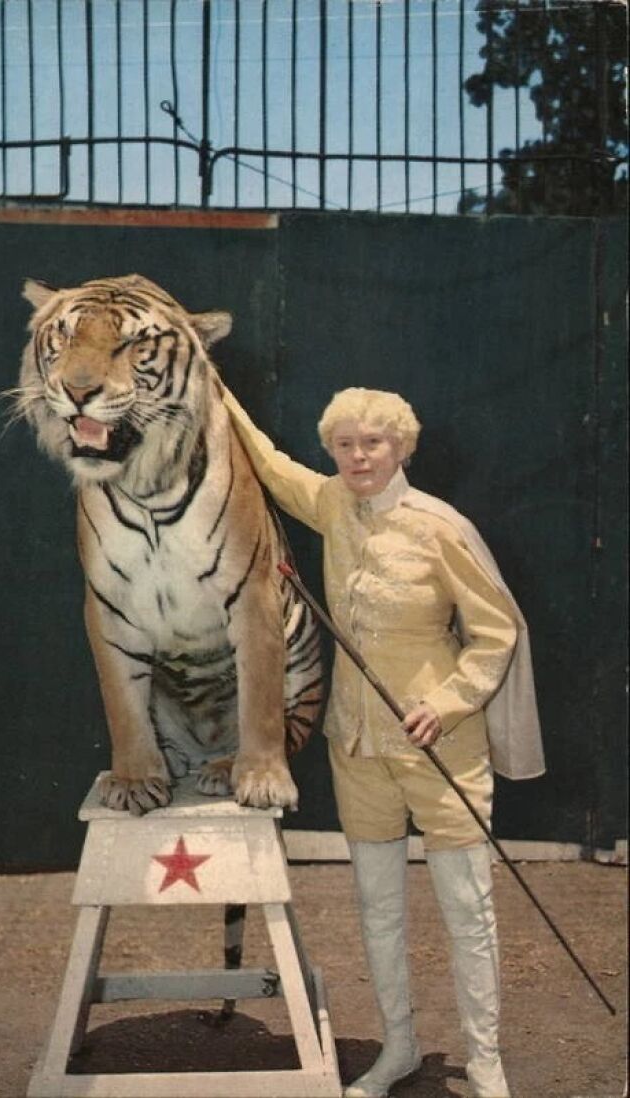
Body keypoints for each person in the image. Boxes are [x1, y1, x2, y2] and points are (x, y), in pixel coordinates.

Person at [221, 382, 545, 1098]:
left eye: (373, 442)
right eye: (344, 444)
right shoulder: (333, 504)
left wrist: (448, 701)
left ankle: (485, 1060)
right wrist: (214, 389)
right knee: (377, 906)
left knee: (467, 907)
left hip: (442, 748)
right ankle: (398, 1047)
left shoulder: (440, 527)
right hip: (357, 745)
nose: (358, 455)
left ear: (402, 446)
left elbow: (498, 632)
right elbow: (272, 466)